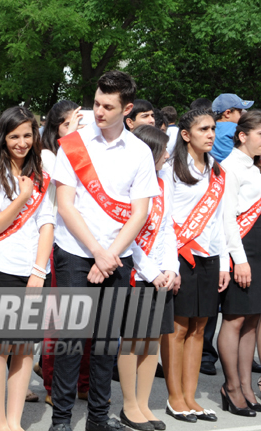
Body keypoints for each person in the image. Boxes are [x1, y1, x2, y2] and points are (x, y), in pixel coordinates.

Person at [50, 70, 159, 431]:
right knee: (70, 342)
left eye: (107, 106)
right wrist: (97, 252)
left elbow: (140, 211)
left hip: (117, 256)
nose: (98, 111)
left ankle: (98, 417)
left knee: (106, 342)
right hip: (75, 253)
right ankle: (62, 420)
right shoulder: (75, 144)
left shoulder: (140, 151)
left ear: (126, 109)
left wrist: (110, 255)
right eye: (96, 103)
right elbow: (66, 204)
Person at [0, 106, 55, 431]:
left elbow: (47, 223)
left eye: (27, 135)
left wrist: (39, 270)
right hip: (0, 267)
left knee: (24, 348)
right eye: (14, 136)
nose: (21, 142)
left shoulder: (43, 172)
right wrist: (22, 197)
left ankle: (15, 421)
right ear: (3, 138)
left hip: (34, 270)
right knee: (0, 347)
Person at [161, 108, 230, 423]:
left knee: (201, 327)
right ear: (186, 134)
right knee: (178, 328)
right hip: (180, 257)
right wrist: (169, 264)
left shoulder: (216, 169)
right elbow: (164, 219)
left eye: (213, 128)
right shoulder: (171, 168)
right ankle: (175, 397)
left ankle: (191, 396)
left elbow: (217, 220)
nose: (211, 134)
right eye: (203, 129)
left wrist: (224, 262)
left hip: (209, 258)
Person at [120, 125, 177, 431]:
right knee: (132, 342)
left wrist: (171, 267)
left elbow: (167, 228)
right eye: (163, 150)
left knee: (151, 341)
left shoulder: (162, 183)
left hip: (159, 275)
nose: (167, 156)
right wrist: (152, 272)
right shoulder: (129, 183)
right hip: (136, 274)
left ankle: (143, 403)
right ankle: (129, 406)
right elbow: (127, 236)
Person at [39, 100, 92, 406]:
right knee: (60, 321)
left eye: (82, 124)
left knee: (85, 321)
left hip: (87, 243)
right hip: (59, 242)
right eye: (70, 123)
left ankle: (82, 383)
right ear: (56, 127)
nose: (77, 129)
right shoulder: (50, 155)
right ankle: (53, 383)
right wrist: (73, 136)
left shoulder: (92, 152)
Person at [218, 110, 261, 417]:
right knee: (234, 319)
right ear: (243, 135)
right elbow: (228, 219)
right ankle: (231, 387)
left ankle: (247, 386)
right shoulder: (230, 167)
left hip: (258, 247)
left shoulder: (256, 167)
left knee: (252, 320)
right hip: (241, 249)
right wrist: (239, 261)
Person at [210, 93, 254, 162]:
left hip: (216, 168)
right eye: (239, 112)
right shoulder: (235, 128)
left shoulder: (210, 128)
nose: (241, 116)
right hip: (236, 166)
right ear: (227, 113)